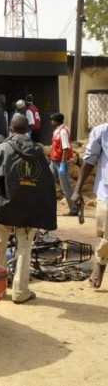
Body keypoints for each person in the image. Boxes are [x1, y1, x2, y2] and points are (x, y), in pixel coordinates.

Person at [0, 115, 57, 304]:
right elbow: (46, 183)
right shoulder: (38, 151)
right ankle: (21, 292)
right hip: (29, 209)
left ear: (10, 129)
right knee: (24, 250)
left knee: (0, 246)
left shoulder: (2, 148)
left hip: (6, 206)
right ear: (28, 130)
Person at [72, 123, 108, 288]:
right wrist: (78, 189)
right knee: (106, 237)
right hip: (107, 194)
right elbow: (88, 162)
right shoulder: (101, 132)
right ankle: (100, 266)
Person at [49, 113, 78, 216]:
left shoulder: (63, 132)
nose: (51, 121)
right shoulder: (57, 131)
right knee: (47, 181)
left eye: (53, 119)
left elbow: (66, 148)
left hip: (61, 162)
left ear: (57, 121)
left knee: (65, 187)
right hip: (54, 161)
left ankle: (74, 209)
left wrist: (62, 164)